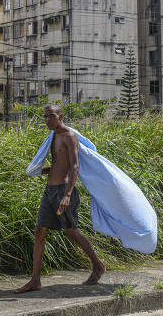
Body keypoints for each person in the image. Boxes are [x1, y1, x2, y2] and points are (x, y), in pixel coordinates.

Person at [15, 104, 105, 293]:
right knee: (40, 231)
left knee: (71, 232)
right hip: (49, 190)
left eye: (51, 116)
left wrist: (67, 195)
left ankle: (98, 265)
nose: (47, 120)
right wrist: (40, 170)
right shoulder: (52, 137)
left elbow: (74, 166)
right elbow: (58, 163)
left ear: (60, 116)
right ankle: (35, 280)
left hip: (64, 191)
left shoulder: (69, 136)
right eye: (45, 117)